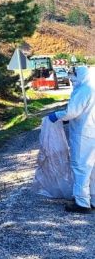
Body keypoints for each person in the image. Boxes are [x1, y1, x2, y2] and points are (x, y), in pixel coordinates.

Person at [49, 66, 95, 213]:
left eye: (73, 76)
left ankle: (82, 203)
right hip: (92, 132)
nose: (71, 79)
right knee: (92, 168)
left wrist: (57, 116)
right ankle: (92, 199)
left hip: (84, 134)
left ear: (80, 75)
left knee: (80, 167)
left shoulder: (83, 90)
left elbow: (72, 111)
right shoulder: (92, 88)